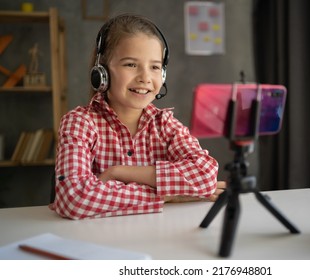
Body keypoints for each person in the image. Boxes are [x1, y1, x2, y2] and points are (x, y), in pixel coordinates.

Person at [49, 14, 225, 220]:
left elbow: (205, 175)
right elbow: (74, 198)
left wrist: (118, 172)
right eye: (131, 64)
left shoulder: (165, 125)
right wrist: (166, 196)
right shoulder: (79, 123)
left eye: (155, 67)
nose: (145, 77)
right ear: (102, 71)